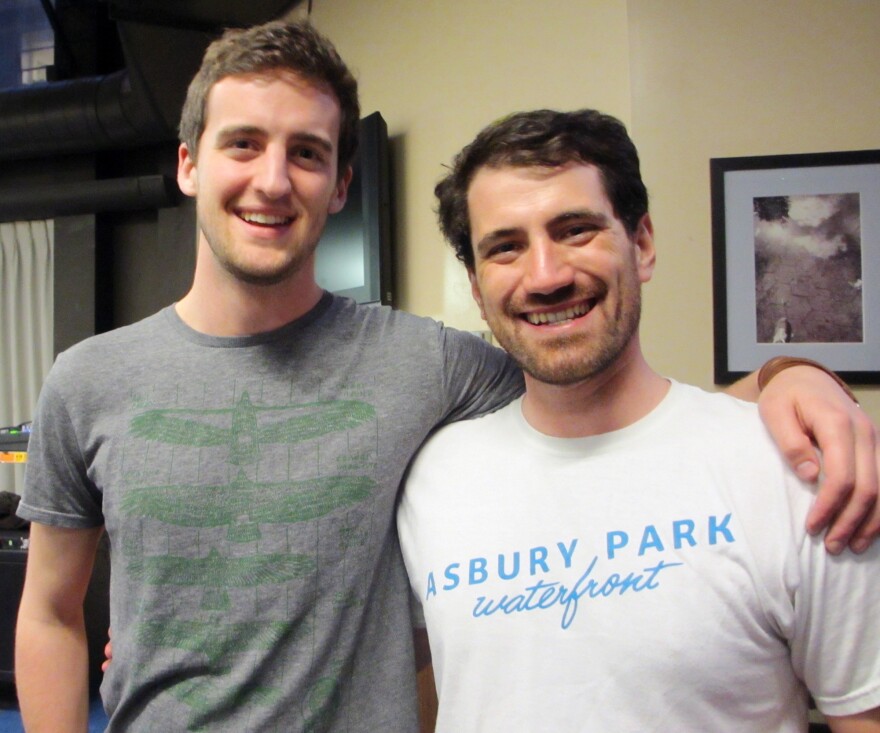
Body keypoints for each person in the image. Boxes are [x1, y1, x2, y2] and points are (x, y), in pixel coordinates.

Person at [12, 19, 877, 733]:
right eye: (244, 144)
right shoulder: (88, 381)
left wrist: (791, 376)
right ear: (190, 163)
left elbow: (600, 397)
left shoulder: (427, 365)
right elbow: (51, 611)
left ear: (342, 182)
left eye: (308, 154)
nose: (273, 180)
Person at [397, 108, 880, 732]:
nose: (545, 276)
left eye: (575, 230)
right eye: (506, 247)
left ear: (642, 243)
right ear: (476, 284)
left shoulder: (792, 468)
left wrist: (792, 371)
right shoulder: (431, 478)